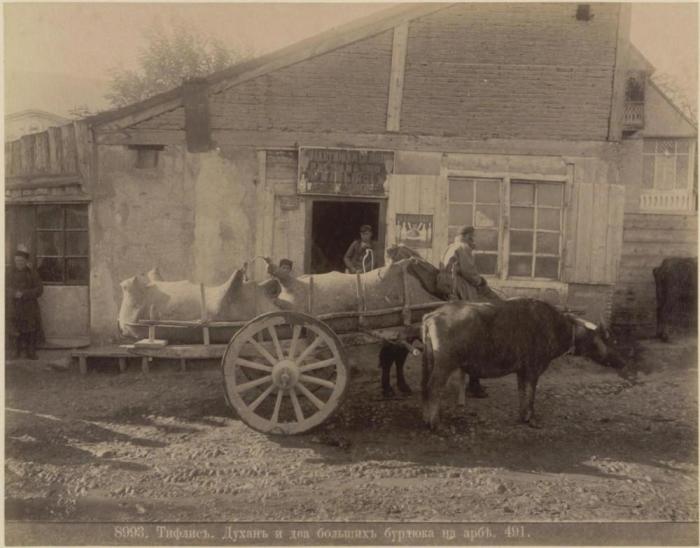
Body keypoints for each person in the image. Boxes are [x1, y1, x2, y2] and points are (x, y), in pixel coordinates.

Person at [439, 226, 489, 398]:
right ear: (467, 236)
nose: (473, 239)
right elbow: (469, 272)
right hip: (459, 287)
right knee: (478, 325)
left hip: (447, 285)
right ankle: (474, 383)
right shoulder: (463, 248)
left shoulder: (451, 246)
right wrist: (480, 281)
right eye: (472, 236)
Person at [7, 245, 43, 360]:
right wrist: (13, 293)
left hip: (29, 307)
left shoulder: (32, 273)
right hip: (14, 306)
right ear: (14, 261)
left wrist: (24, 294)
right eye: (17, 260)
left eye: (22, 260)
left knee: (30, 328)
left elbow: (39, 289)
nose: (19, 263)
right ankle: (15, 351)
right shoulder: (9, 273)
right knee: (15, 328)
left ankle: (30, 352)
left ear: (26, 261)